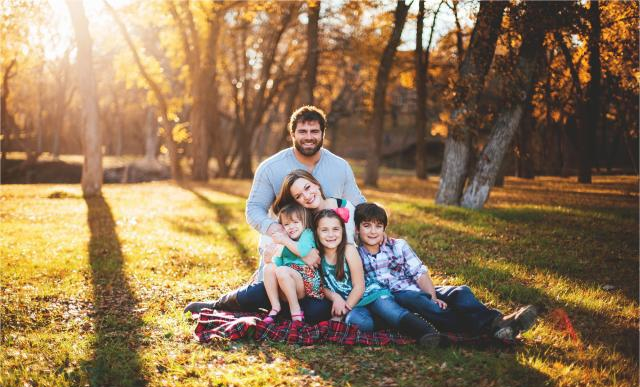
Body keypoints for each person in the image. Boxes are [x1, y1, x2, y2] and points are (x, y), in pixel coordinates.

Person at [184, 106, 365, 324]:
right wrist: (284, 238)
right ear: (292, 134)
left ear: (323, 133)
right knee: (264, 288)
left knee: (317, 312)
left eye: (314, 131)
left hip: (326, 266)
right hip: (289, 255)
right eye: (303, 131)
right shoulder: (271, 168)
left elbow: (359, 204)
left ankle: (286, 309)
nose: (309, 137)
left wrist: (376, 228)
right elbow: (253, 210)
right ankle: (218, 305)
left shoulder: (339, 167)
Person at [353, 202, 538, 340]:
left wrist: (433, 296)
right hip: (395, 298)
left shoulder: (398, 245)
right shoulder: (355, 253)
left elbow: (419, 272)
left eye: (378, 226)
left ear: (385, 228)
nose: (373, 231)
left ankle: (498, 322)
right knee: (414, 298)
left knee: (460, 291)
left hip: (416, 288)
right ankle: (483, 329)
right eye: (367, 225)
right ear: (357, 229)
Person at [315, 209, 441, 347]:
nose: (331, 234)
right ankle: (393, 321)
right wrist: (335, 297)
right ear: (316, 232)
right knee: (357, 322)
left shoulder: (348, 250)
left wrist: (341, 313)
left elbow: (359, 287)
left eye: (335, 229)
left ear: (343, 231)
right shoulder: (315, 255)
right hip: (353, 303)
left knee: (389, 310)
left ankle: (427, 332)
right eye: (324, 230)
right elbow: (321, 284)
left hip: (372, 293)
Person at [262, 203, 323, 323]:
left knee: (282, 270)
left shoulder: (307, 233)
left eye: (296, 222)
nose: (291, 227)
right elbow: (278, 263)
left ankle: (296, 310)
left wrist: (284, 240)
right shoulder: (284, 241)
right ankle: (275, 307)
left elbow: (303, 250)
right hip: (288, 280)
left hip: (308, 281)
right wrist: (268, 258)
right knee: (269, 268)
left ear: (304, 222)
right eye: (286, 224)